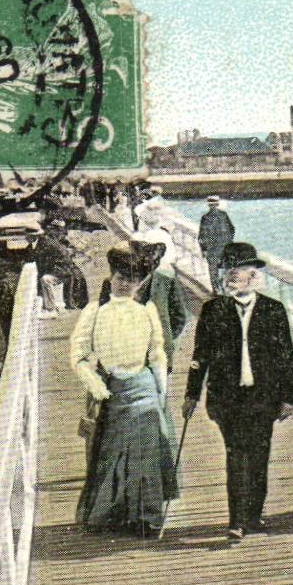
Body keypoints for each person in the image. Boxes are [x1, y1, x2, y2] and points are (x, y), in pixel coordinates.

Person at [183, 243, 293, 539]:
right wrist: (191, 394)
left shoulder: (274, 310)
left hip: (263, 397)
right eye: (227, 269)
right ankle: (236, 520)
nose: (231, 274)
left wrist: (289, 398)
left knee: (259, 456)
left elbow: (286, 357)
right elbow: (200, 355)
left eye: (239, 269)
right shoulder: (213, 310)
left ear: (253, 274)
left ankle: (254, 515)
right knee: (236, 456)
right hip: (227, 398)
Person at [71, 243, 178, 537]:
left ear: (140, 284)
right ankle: (109, 514)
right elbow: (78, 355)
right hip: (110, 388)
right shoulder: (95, 311)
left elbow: (157, 352)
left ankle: (146, 517)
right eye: (120, 278)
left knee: (146, 452)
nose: (124, 285)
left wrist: (161, 391)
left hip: (143, 386)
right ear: (111, 277)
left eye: (131, 281)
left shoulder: (147, 310)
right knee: (112, 453)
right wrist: (95, 384)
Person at [131, 238, 190, 372]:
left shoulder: (167, 282)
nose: (146, 262)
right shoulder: (122, 284)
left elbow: (181, 317)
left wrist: (167, 336)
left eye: (149, 259)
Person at [198, 196, 236, 294]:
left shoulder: (205, 218)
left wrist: (204, 249)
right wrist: (229, 241)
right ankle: (225, 289)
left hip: (211, 249)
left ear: (209, 205)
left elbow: (201, 236)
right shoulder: (224, 215)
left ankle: (216, 290)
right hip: (224, 246)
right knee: (225, 269)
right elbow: (232, 229)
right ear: (217, 204)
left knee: (213, 270)